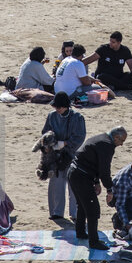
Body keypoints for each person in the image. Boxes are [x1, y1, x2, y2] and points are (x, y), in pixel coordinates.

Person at [68, 126, 127, 250]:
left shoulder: (101, 138)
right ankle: (94, 242)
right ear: (116, 137)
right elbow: (104, 170)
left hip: (75, 173)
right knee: (93, 209)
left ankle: (80, 233)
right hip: (81, 176)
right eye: (121, 141)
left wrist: (96, 182)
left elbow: (93, 161)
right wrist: (109, 190)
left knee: (82, 206)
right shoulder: (107, 145)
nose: (121, 144)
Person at [42, 91, 85, 220]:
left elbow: (79, 137)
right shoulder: (52, 116)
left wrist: (65, 143)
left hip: (73, 155)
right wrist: (51, 143)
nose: (57, 109)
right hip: (56, 155)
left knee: (74, 185)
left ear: (66, 106)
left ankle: (75, 213)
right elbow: (45, 133)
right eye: (55, 107)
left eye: (59, 107)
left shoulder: (77, 118)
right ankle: (56, 212)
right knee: (56, 183)